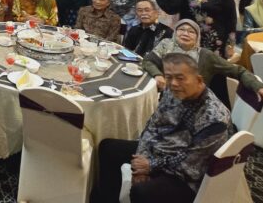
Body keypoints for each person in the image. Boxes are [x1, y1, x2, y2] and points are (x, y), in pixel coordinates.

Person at [93, 53, 232, 203]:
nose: (174, 83)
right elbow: (153, 126)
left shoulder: (215, 118)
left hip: (187, 178)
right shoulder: (172, 91)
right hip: (161, 152)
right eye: (169, 77)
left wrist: (151, 166)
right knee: (108, 148)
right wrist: (142, 159)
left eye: (180, 78)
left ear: (198, 80)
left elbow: (191, 166)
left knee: (142, 192)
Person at [142, 19, 263, 100]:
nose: (185, 34)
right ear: (175, 33)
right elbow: (148, 61)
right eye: (181, 30)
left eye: (191, 32)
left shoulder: (206, 55)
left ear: (197, 37)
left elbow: (238, 71)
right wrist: (158, 75)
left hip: (193, 102)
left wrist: (258, 86)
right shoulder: (166, 44)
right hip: (164, 98)